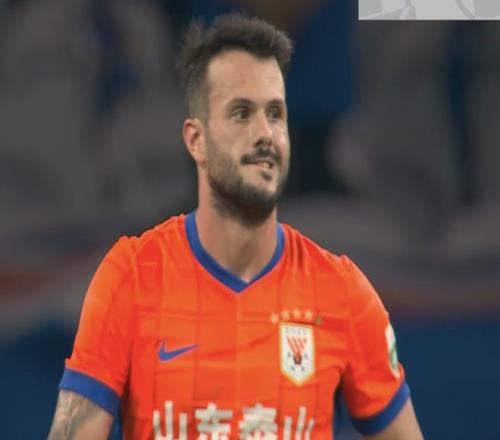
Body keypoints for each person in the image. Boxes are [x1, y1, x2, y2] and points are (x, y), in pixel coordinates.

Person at [48, 14, 423, 440]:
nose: (264, 134)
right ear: (197, 140)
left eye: (275, 114)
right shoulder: (131, 276)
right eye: (241, 114)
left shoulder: (342, 291)